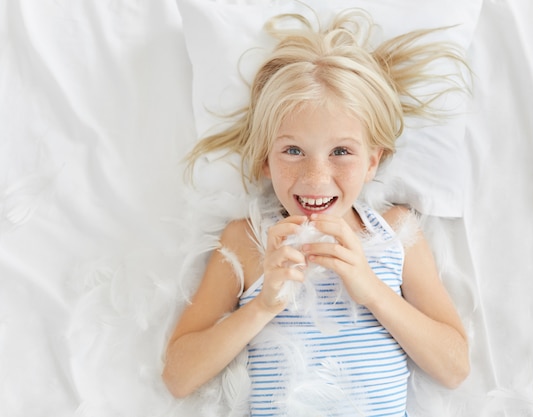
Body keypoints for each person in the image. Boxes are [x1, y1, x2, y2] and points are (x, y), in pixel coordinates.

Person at [163, 9, 469, 416]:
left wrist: (371, 290)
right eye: (293, 151)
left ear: (372, 162)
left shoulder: (397, 233)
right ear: (266, 161)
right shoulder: (246, 242)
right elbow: (178, 377)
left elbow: (454, 368)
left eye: (341, 152)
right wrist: (264, 304)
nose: (315, 177)